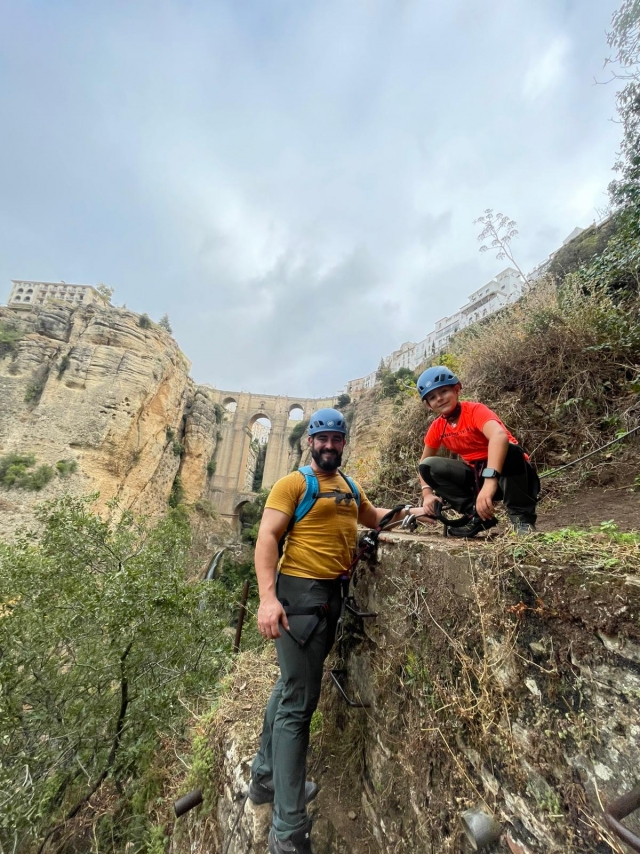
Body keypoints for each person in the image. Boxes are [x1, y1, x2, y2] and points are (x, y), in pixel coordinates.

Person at [249, 407, 423, 854]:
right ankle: (288, 829)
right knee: (298, 705)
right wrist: (267, 599)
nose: (329, 445)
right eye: (322, 439)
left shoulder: (348, 485)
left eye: (336, 439)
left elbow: (373, 516)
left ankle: (265, 779)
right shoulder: (293, 484)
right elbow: (267, 538)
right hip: (299, 597)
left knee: (290, 687)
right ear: (310, 442)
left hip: (330, 597)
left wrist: (414, 511)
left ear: (344, 443)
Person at [416, 366, 539, 537]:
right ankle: (476, 515)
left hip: (513, 476)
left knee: (511, 450)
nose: (440, 399)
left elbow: (499, 436)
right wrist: (427, 494)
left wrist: (490, 481)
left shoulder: (475, 411)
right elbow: (423, 463)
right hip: (478, 478)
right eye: (432, 397)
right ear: (428, 405)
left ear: (456, 389)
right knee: (428, 466)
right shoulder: (437, 427)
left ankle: (522, 520)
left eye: (444, 391)